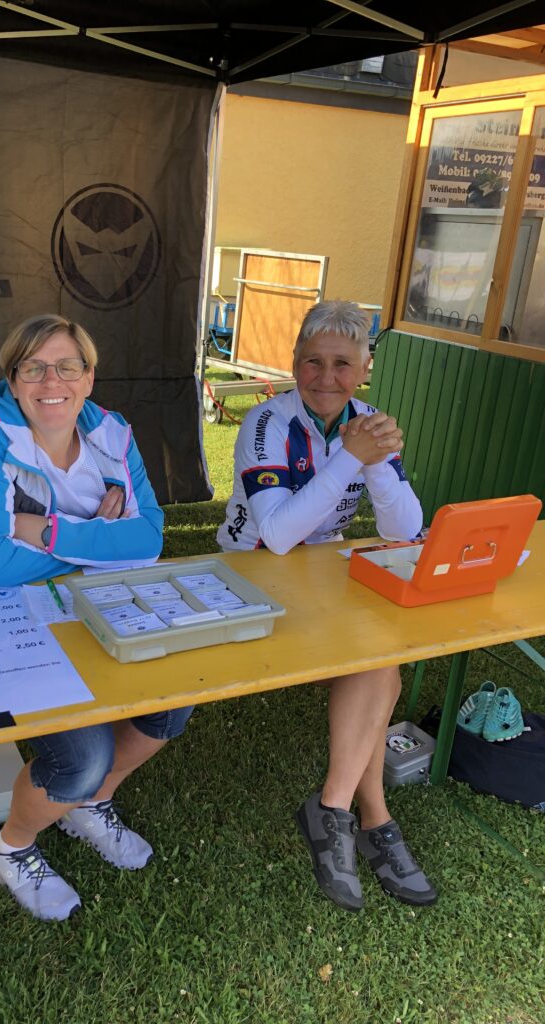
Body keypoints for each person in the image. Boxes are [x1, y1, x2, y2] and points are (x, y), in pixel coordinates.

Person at [0, 314, 193, 921]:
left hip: (73, 601)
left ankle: (89, 804)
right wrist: (97, 538)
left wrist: (40, 530)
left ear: (89, 378)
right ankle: (12, 848)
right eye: (34, 368)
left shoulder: (112, 434)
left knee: (171, 704)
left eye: (68, 366)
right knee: (81, 756)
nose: (52, 382)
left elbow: (148, 538)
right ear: (13, 380)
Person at [217, 300, 437, 912]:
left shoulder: (366, 424)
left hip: (320, 571)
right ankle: (370, 819)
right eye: (312, 361)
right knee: (379, 668)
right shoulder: (266, 421)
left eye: (342, 364)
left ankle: (342, 809)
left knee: (380, 660)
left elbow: (404, 529)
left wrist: (378, 467)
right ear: (294, 363)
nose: (325, 376)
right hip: (250, 572)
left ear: (365, 369)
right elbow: (278, 534)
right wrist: (351, 458)